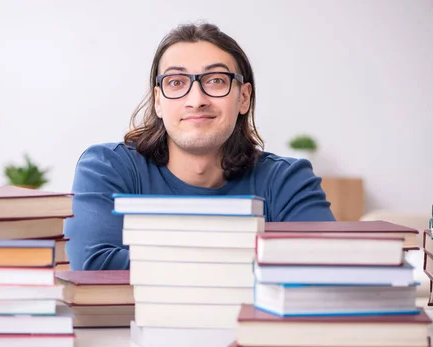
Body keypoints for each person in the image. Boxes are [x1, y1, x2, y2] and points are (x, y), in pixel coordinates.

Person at [64, 22, 335, 271]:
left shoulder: (287, 180)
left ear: (243, 97)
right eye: (176, 82)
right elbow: (96, 267)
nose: (196, 99)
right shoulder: (106, 168)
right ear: (158, 101)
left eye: (216, 80)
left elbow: (325, 266)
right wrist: (259, 259)